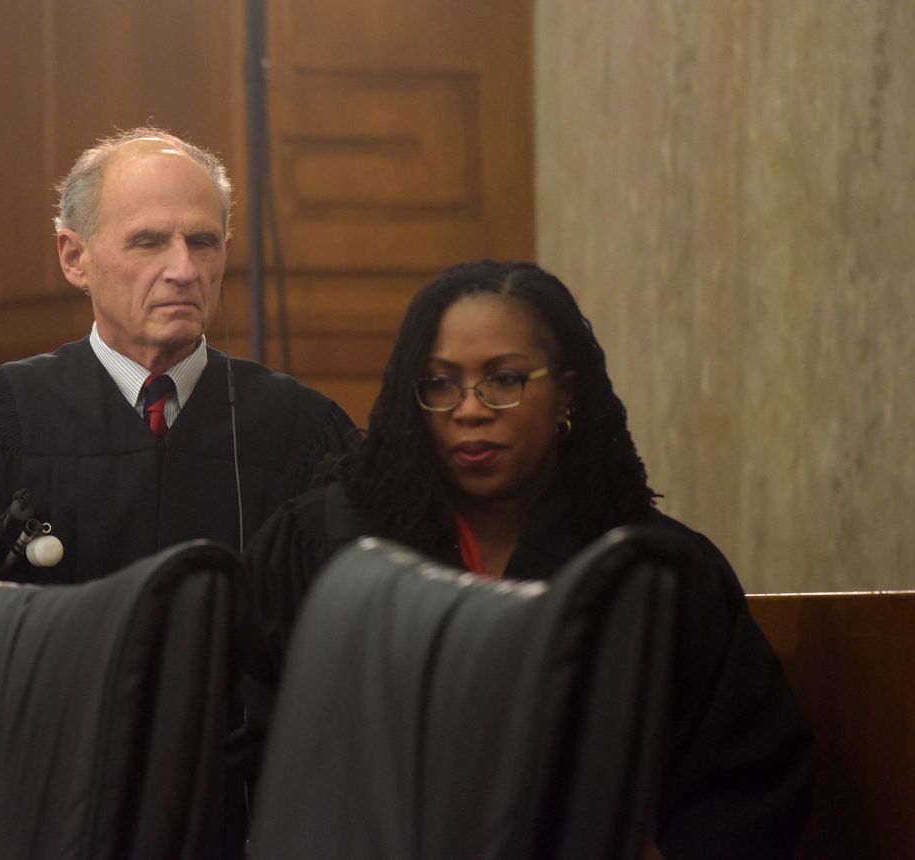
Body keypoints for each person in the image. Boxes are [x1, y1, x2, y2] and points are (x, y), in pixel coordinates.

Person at [243, 259, 814, 858]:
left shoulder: (653, 569)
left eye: (505, 379)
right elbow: (248, 731)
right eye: (439, 383)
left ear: (565, 390)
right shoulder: (327, 543)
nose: (469, 409)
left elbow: (746, 774)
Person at [0, 128, 356, 597]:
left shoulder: (299, 431)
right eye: (148, 241)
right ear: (74, 259)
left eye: (201, 243)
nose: (183, 270)